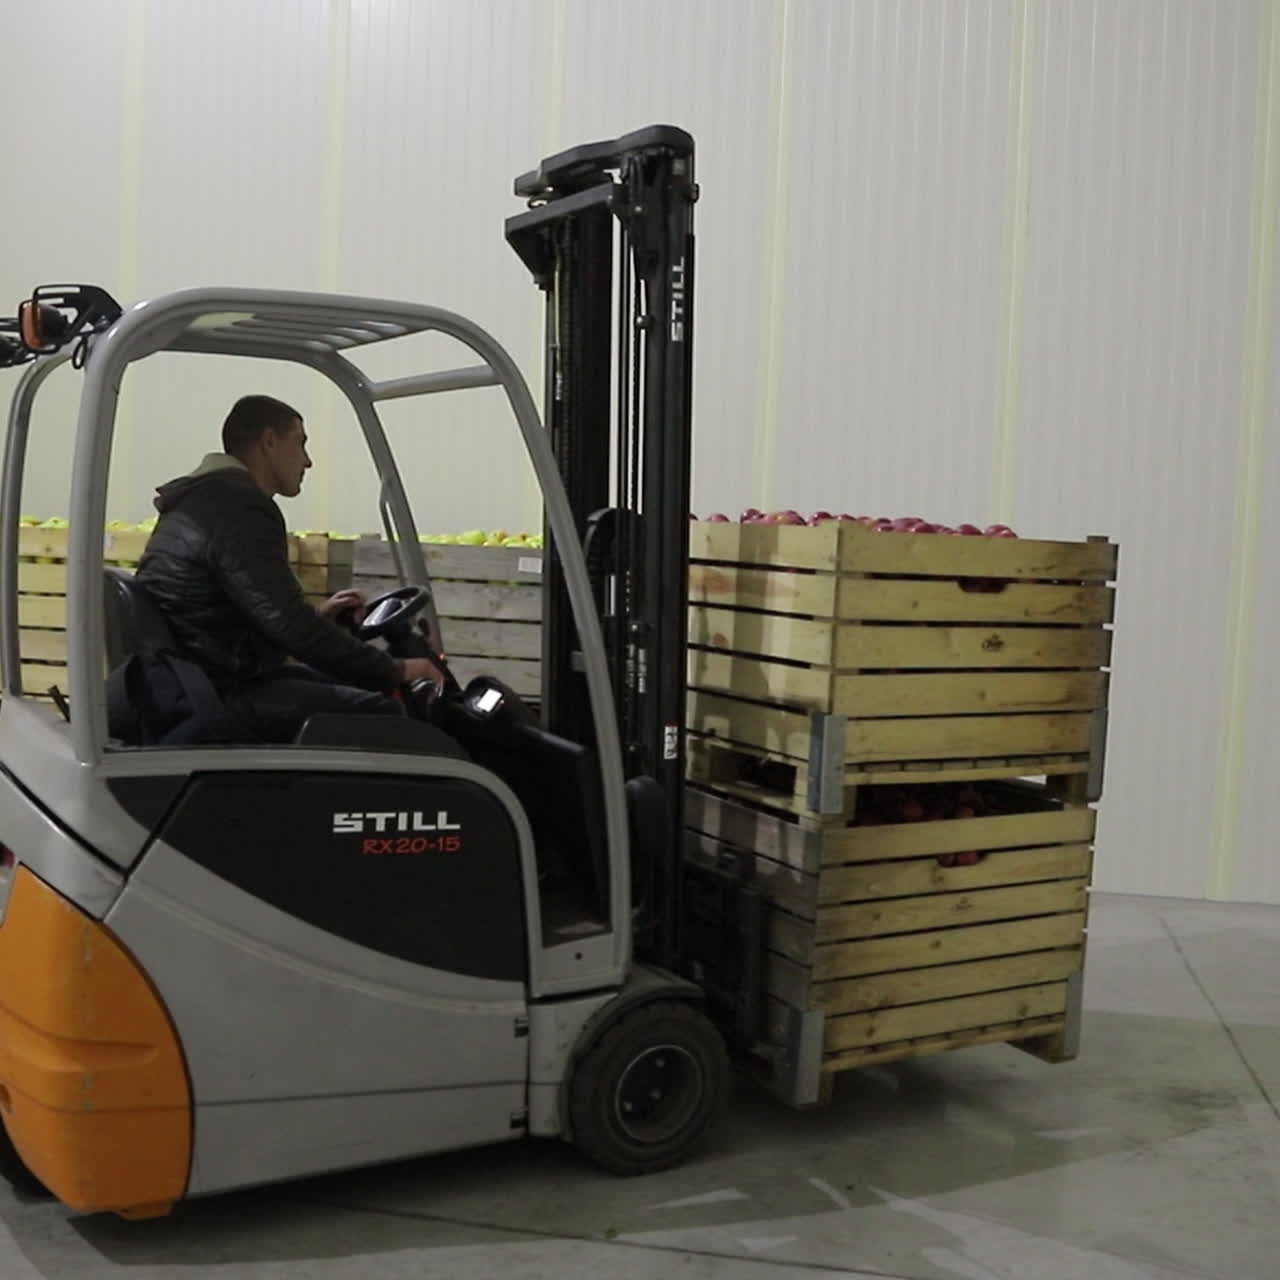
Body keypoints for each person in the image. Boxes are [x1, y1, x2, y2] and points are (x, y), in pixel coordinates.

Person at [133, 394, 442, 743]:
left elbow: (254, 612)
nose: (308, 461)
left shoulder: (205, 499)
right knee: (386, 715)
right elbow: (291, 627)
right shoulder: (241, 507)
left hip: (187, 680)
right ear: (269, 442)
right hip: (210, 691)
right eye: (300, 443)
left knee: (343, 683)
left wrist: (319, 617)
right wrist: (395, 669)